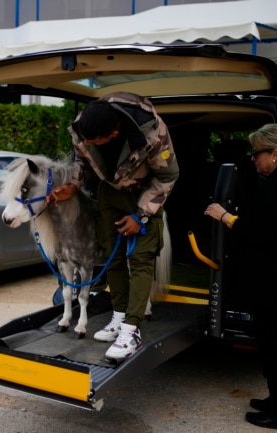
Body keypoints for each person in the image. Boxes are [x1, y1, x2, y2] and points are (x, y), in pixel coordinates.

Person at [204, 124, 277, 432]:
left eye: (257, 153)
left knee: (276, 345)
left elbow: (258, 235)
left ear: (275, 154)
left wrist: (224, 216)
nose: (254, 159)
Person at [48, 92, 179, 361]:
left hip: (145, 194)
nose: (85, 143)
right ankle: (119, 316)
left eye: (94, 141)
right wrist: (72, 186)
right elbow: (82, 161)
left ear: (115, 132)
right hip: (110, 194)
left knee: (140, 259)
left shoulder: (154, 134)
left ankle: (132, 330)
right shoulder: (83, 126)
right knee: (112, 255)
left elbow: (168, 175)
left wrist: (140, 215)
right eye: (84, 139)